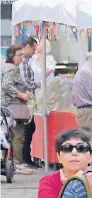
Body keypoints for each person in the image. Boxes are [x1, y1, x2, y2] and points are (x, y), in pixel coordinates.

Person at [37, 129, 92, 198]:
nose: (74, 152)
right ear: (58, 157)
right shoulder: (49, 181)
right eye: (67, 148)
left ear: (91, 157)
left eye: (81, 148)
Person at [1, 45, 33, 175]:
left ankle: (14, 162)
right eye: (19, 55)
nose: (21, 58)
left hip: (7, 106)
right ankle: (18, 163)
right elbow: (7, 85)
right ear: (11, 57)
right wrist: (21, 95)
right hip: (14, 106)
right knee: (18, 135)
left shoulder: (5, 68)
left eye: (22, 55)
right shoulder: (12, 69)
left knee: (10, 135)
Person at [19, 37, 39, 169]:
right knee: (27, 129)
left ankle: (26, 157)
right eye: (33, 49)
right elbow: (25, 82)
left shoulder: (26, 62)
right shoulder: (22, 64)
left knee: (29, 128)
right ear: (26, 47)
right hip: (23, 100)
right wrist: (38, 84)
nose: (34, 52)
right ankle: (24, 158)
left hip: (27, 99)